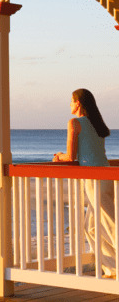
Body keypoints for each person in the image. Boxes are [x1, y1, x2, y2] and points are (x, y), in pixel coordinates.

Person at [53, 88, 115, 277]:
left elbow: (71, 156)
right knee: (93, 227)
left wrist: (58, 156)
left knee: (111, 225)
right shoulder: (96, 124)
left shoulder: (74, 123)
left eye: (71, 101)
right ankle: (112, 268)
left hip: (94, 179)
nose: (69, 105)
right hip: (106, 176)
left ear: (78, 102)